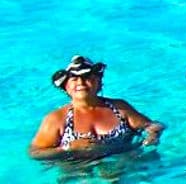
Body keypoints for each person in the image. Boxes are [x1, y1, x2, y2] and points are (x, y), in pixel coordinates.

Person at [30, 56, 164, 160]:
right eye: (74, 79)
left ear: (99, 83)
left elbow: (153, 125)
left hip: (122, 167)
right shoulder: (56, 119)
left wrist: (153, 135)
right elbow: (35, 153)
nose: (81, 83)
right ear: (65, 87)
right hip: (77, 174)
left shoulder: (119, 109)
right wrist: (67, 148)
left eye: (87, 77)